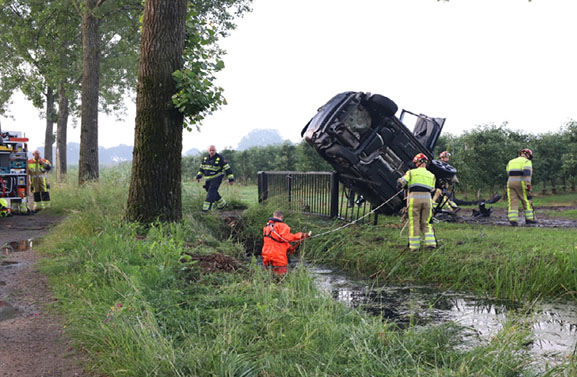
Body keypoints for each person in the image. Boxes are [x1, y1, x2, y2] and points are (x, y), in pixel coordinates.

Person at [397, 153, 437, 250]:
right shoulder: (431, 175)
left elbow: (400, 183)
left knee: (414, 222)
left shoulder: (411, 172)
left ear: (417, 163)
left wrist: (403, 185)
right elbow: (432, 189)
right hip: (428, 200)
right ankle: (431, 244)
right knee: (426, 223)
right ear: (425, 163)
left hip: (414, 200)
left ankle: (414, 247)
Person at [262, 210, 311, 275]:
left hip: (266, 254)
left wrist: (289, 247)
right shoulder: (282, 226)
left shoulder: (267, 227)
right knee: (281, 275)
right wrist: (302, 235)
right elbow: (288, 238)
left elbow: (277, 241)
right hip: (278, 256)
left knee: (269, 274)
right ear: (282, 217)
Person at [195, 145, 234, 212]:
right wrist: (198, 176)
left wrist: (231, 179)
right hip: (208, 179)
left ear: (215, 150)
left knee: (211, 192)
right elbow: (201, 169)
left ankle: (206, 209)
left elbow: (227, 168)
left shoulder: (220, 158)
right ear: (208, 151)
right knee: (210, 190)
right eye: (210, 150)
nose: (212, 152)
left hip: (217, 177)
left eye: (213, 150)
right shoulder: (205, 159)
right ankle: (222, 205)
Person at [506, 148, 535, 226]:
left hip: (510, 183)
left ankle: (513, 220)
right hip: (521, 183)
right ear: (527, 155)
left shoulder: (511, 161)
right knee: (526, 200)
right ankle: (529, 219)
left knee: (512, 201)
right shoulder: (527, 162)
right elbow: (527, 175)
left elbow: (508, 172)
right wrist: (528, 186)